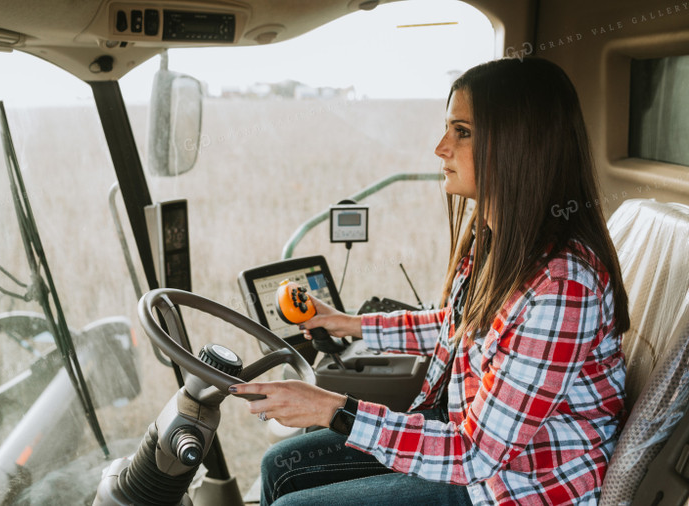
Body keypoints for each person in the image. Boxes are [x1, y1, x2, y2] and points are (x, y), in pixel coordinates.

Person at [229, 57, 630, 506]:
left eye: (462, 131)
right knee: (277, 468)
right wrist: (351, 325)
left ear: (520, 144)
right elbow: (460, 324)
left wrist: (329, 408)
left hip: (514, 487)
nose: (441, 147)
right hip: (467, 445)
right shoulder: (502, 242)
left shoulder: (562, 289)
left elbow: (475, 455)